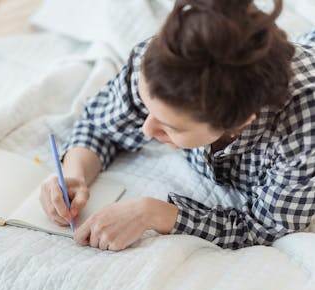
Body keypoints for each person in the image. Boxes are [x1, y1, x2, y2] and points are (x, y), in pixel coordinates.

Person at [39, 0, 315, 251]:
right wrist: (74, 173)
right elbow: (101, 124)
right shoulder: (162, 64)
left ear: (238, 122)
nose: (146, 130)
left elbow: (265, 228)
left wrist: (153, 213)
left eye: (172, 127)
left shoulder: (302, 132)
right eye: (147, 109)